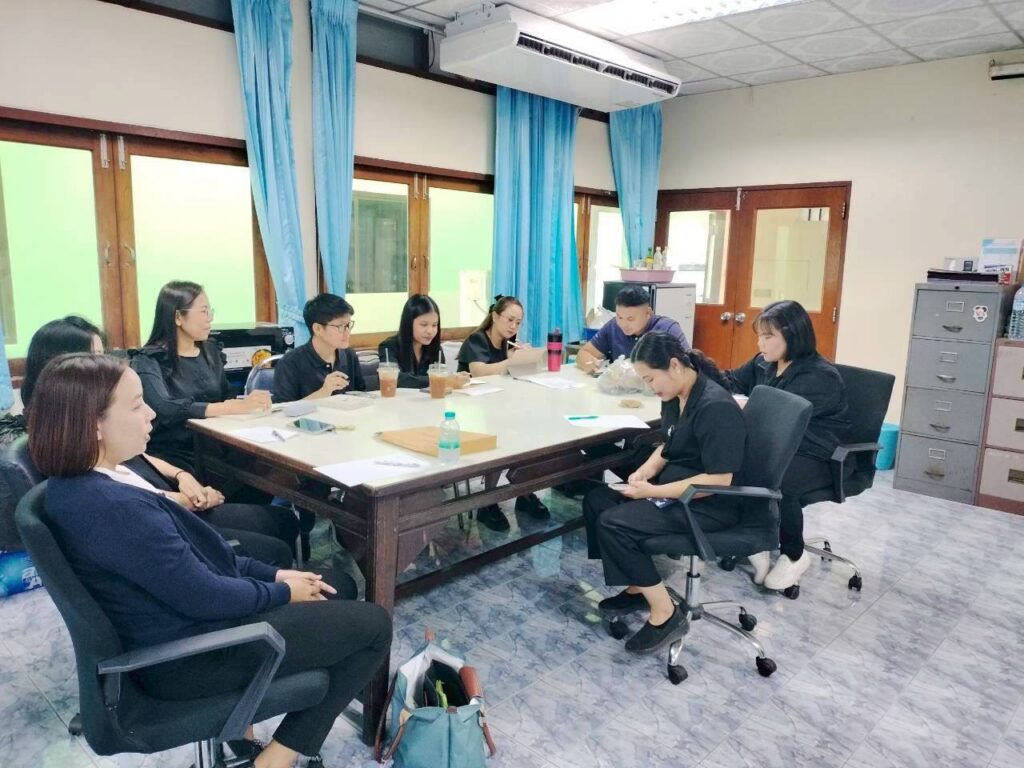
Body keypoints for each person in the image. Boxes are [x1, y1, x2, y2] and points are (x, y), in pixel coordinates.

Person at [30, 353, 391, 768]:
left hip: (184, 623)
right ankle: (275, 760)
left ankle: (255, 727)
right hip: (192, 656)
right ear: (94, 424)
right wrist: (281, 592)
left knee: (335, 585)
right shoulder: (112, 508)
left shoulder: (95, 480)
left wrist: (277, 575)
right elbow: (205, 595)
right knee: (374, 626)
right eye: (137, 405)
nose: (151, 414)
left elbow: (204, 558)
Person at [9, 316, 300, 568]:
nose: (104, 364)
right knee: (274, 546)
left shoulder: (87, 422)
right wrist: (184, 500)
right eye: (94, 356)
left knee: (281, 520)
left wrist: (181, 475)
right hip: (159, 516)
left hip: (165, 500)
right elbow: (117, 501)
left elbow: (137, 461)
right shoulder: (68, 435)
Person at [582, 332, 746, 654]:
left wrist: (654, 491)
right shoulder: (674, 396)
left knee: (614, 523)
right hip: (675, 490)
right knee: (597, 501)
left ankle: (665, 614)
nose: (649, 387)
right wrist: (646, 470)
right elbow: (669, 445)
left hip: (707, 503)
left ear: (674, 366)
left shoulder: (715, 407)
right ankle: (638, 587)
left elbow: (719, 479)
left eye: (650, 378)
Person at [725, 299, 849, 591]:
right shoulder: (764, 362)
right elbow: (730, 380)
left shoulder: (819, 377)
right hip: (775, 445)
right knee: (731, 462)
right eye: (760, 335)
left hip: (816, 453)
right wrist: (697, 376)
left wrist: (743, 406)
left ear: (793, 336)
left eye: (768, 337)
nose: (760, 343)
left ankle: (794, 554)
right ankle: (757, 537)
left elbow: (777, 419)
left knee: (778, 479)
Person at [132, 281, 272, 469]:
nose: (209, 319)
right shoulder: (149, 360)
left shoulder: (210, 351)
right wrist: (231, 407)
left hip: (217, 444)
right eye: (204, 312)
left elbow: (224, 396)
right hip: (175, 454)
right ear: (178, 317)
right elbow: (165, 409)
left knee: (270, 465)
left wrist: (248, 402)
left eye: (210, 312)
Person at [455, 295, 549, 531]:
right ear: (495, 316)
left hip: (500, 405)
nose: (513, 326)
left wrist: (525, 359)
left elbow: (516, 375)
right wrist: (512, 361)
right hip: (470, 410)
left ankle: (525, 491)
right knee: (498, 435)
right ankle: (488, 501)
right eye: (509, 319)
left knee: (531, 430)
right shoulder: (477, 339)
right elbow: (479, 371)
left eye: (518, 322)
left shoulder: (509, 343)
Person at [272, 293, 367, 403]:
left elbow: (361, 395)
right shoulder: (290, 363)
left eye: (348, 325)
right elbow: (283, 410)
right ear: (317, 329)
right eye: (340, 326)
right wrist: (324, 392)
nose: (347, 332)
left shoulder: (349, 355)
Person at [575, 286, 690, 373]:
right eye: (620, 317)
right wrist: (591, 364)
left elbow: (688, 365)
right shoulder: (613, 326)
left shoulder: (668, 328)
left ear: (648, 313)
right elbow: (584, 352)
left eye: (630, 319)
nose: (623, 324)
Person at [378, 294, 469, 389]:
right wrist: (440, 380)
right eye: (424, 325)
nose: (430, 331)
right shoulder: (389, 347)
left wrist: (455, 378)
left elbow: (441, 376)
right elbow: (395, 379)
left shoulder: (436, 348)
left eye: (434, 325)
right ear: (408, 323)